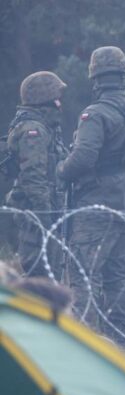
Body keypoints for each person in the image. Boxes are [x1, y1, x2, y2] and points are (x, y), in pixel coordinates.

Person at [57, 46, 125, 339]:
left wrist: (61, 170)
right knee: (117, 275)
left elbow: (83, 157)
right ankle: (120, 340)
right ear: (124, 75)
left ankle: (83, 341)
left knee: (84, 274)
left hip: (96, 202)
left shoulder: (95, 114)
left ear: (95, 78)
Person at [4, 72, 69, 278]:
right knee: (39, 273)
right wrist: (46, 217)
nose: (60, 105)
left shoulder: (45, 128)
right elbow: (34, 178)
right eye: (57, 100)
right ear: (45, 99)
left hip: (45, 209)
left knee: (50, 272)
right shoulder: (34, 131)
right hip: (37, 212)